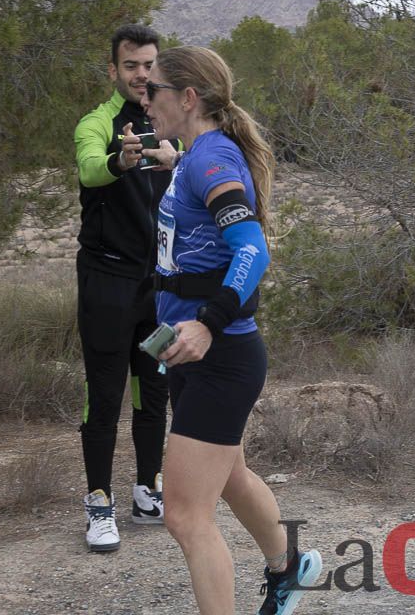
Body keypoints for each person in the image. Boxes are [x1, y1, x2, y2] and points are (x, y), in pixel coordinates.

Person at [142, 46, 321, 615]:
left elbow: (252, 250)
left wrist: (208, 325)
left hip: (219, 355)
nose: (143, 102)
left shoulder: (212, 160)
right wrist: (176, 162)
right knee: (230, 475)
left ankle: (283, 569)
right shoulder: (198, 156)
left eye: (153, 92)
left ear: (188, 98)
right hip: (191, 353)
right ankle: (290, 564)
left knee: (186, 515)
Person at [74, 24, 179, 552]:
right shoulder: (98, 123)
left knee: (153, 389)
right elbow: (92, 168)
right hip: (107, 281)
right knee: (105, 393)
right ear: (114, 69)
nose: (142, 75)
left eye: (149, 65)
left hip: (158, 285)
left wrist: (175, 155)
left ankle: (148, 489)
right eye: (131, 65)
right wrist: (123, 159)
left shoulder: (169, 122)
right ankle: (98, 502)